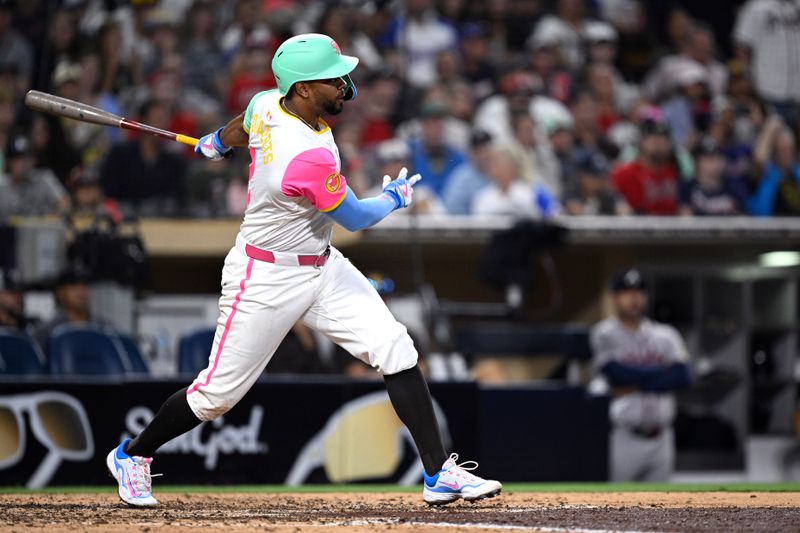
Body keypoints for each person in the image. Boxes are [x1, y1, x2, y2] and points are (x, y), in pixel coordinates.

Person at [106, 33, 501, 508]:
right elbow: (356, 217)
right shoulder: (304, 157)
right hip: (265, 276)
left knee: (394, 347)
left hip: (323, 265)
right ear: (305, 89)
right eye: (333, 79)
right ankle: (133, 454)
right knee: (215, 396)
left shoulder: (270, 102)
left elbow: (244, 123)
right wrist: (394, 198)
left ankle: (438, 473)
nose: (344, 84)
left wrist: (216, 141)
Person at [590, 268, 691, 482]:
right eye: (627, 292)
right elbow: (616, 373)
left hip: (662, 436)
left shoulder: (666, 335)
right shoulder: (604, 333)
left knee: (662, 507)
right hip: (625, 435)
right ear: (615, 298)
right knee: (616, 505)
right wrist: (662, 373)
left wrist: (636, 384)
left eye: (639, 291)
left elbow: (682, 376)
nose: (634, 298)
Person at [611, 121, 680, 215]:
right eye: (653, 140)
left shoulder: (673, 171)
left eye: (663, 140)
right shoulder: (625, 173)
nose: (659, 145)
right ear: (641, 143)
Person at [0, 133, 70, 220]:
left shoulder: (44, 178)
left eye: (26, 158)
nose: (23, 163)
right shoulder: (2, 185)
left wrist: (52, 219)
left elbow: (64, 202)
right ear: (9, 161)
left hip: (41, 231)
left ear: (34, 160)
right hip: (8, 232)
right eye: (17, 158)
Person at [679, 138, 748, 216]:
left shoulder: (733, 187)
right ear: (697, 162)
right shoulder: (688, 188)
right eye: (707, 159)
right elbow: (685, 220)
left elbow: (743, 219)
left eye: (716, 158)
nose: (713, 164)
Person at [748, 115, 800, 216]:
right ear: (775, 152)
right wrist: (770, 131)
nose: (787, 154)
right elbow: (759, 158)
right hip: (768, 226)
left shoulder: (796, 172)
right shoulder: (767, 173)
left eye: (790, 149)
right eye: (783, 150)